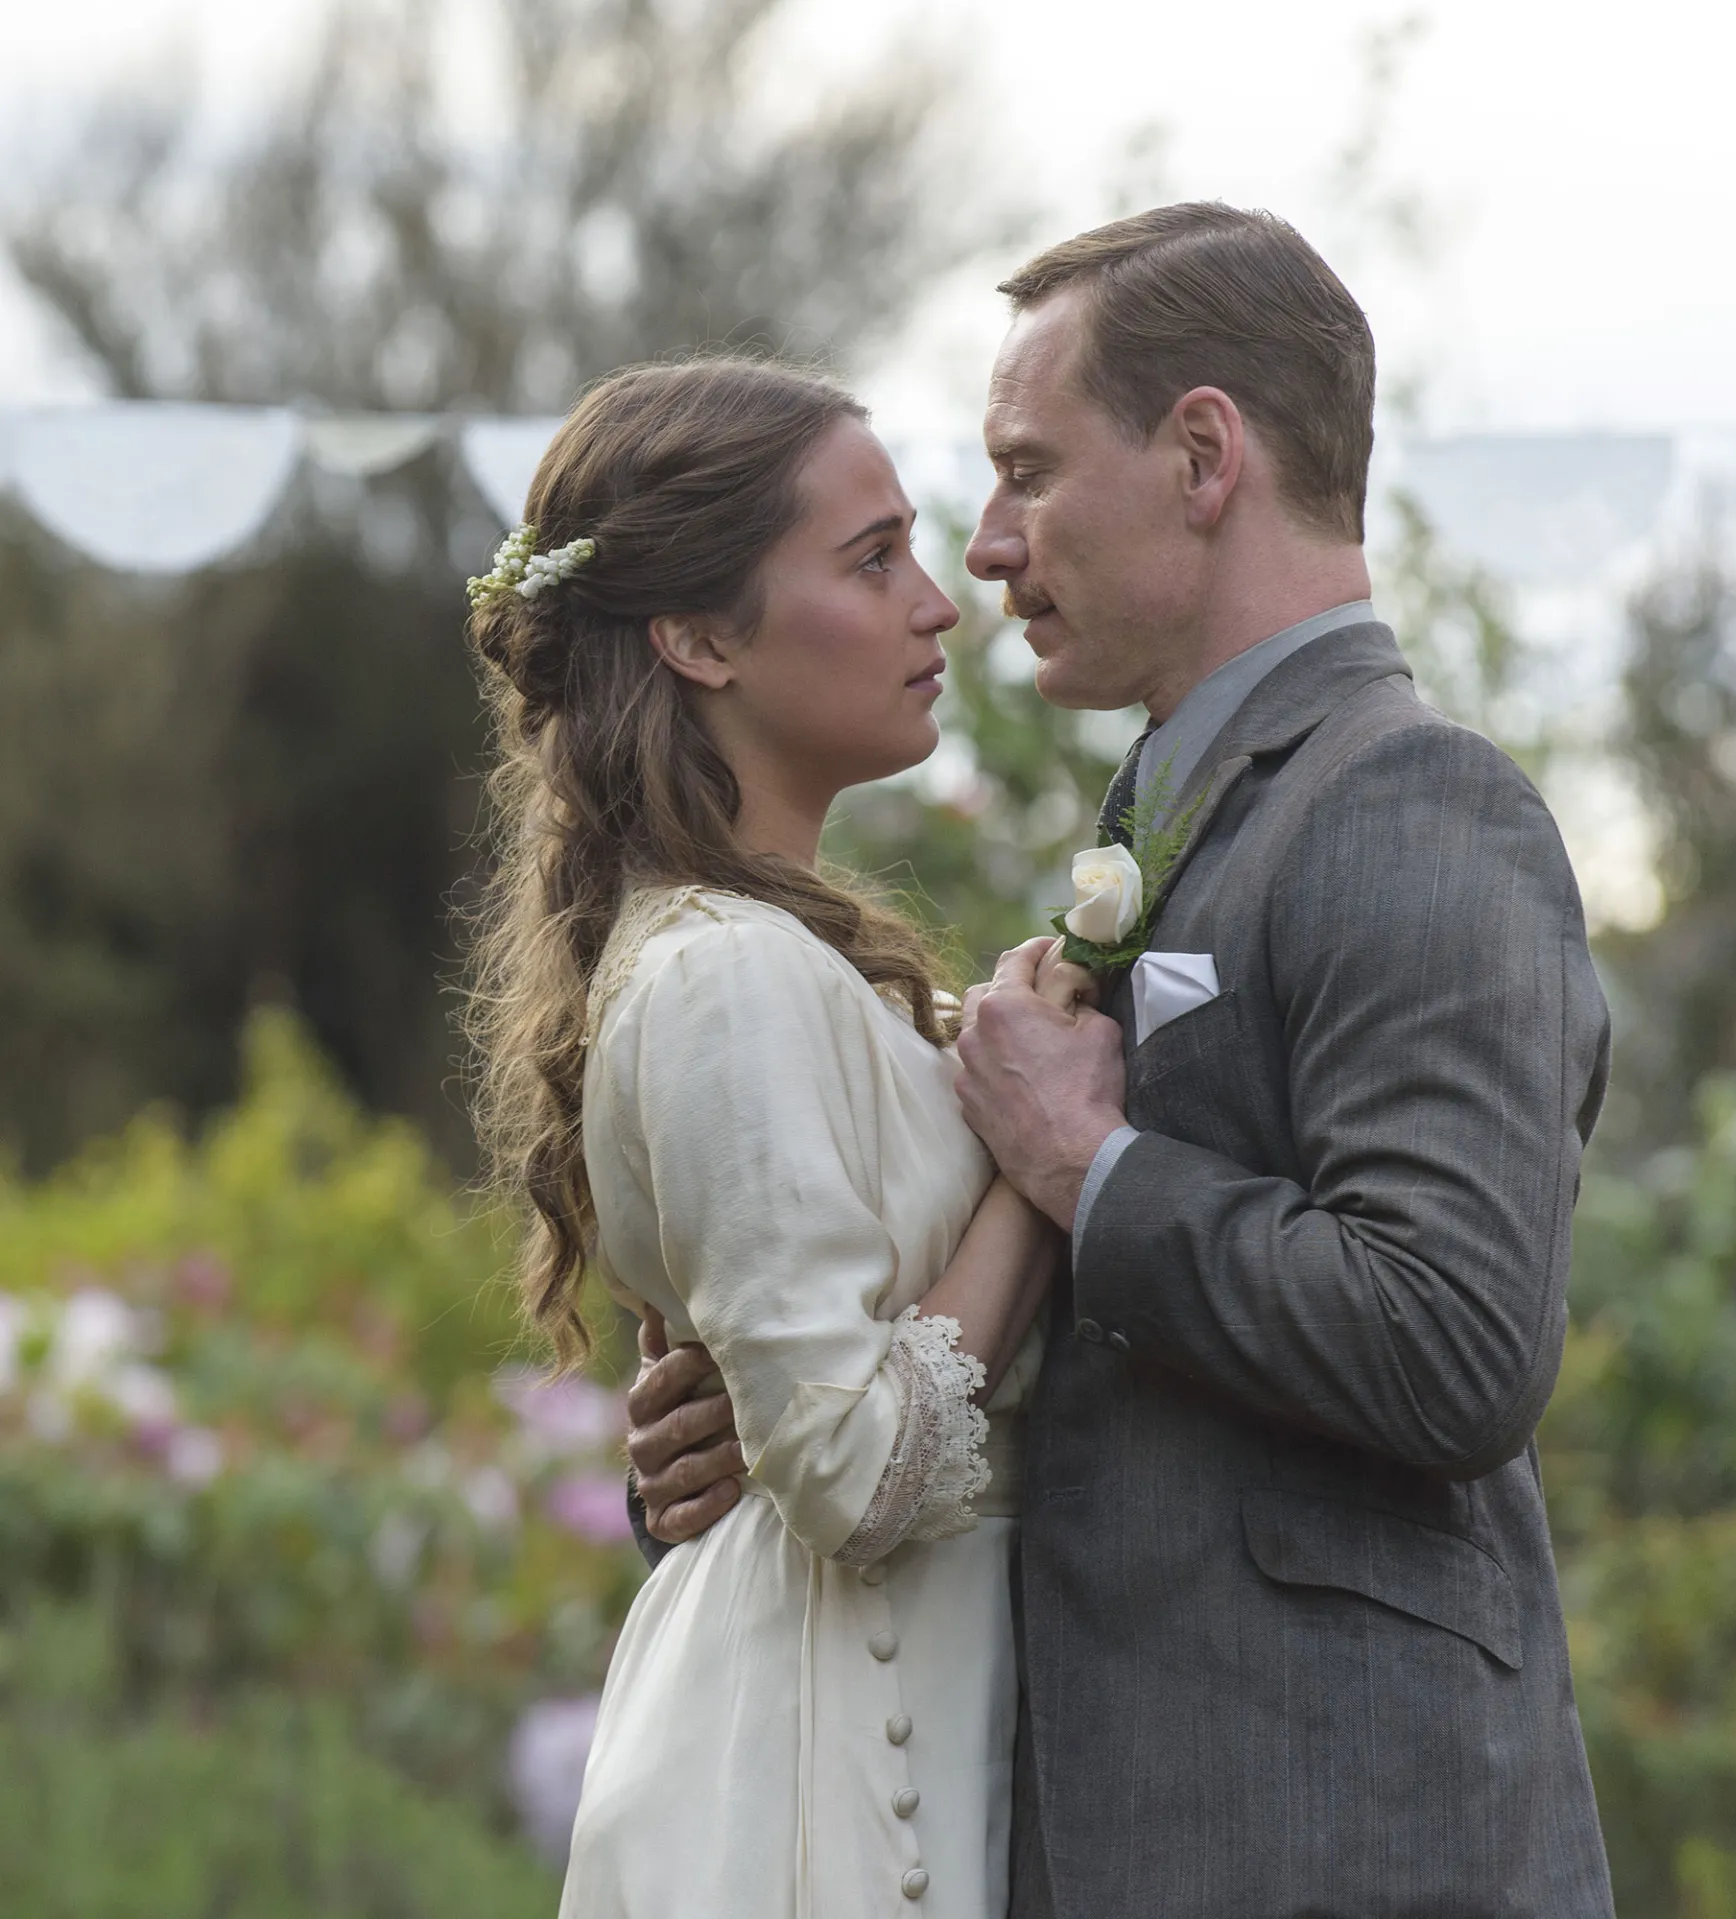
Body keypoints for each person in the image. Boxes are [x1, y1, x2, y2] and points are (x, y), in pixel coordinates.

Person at [626, 204, 1617, 1917]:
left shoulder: (1412, 800)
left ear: (1203, 456)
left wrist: (1091, 1168)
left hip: (1337, 1856)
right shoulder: (1166, 819)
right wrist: (781, 1414)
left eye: (1026, 471)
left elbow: (1454, 1339)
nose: (986, 547)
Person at [464, 357, 1094, 1918]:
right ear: (697, 637)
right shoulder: (724, 978)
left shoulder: (782, 960)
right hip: (812, 1782)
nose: (937, 604)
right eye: (870, 560)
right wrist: (1042, 1166)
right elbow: (854, 1467)